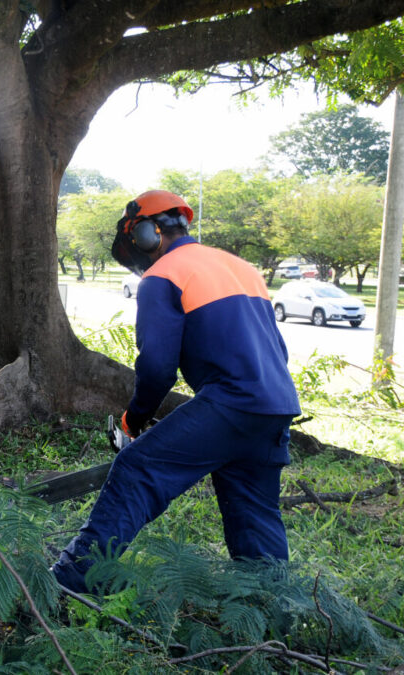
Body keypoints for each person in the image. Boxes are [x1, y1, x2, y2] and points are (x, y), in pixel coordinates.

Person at [51, 190, 300, 594]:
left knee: (136, 469)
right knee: (254, 513)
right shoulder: (240, 268)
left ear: (149, 233)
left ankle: (68, 584)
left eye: (137, 244)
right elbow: (275, 348)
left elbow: (157, 367)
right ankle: (271, 612)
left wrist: (134, 420)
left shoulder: (164, 274)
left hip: (231, 401)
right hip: (276, 405)